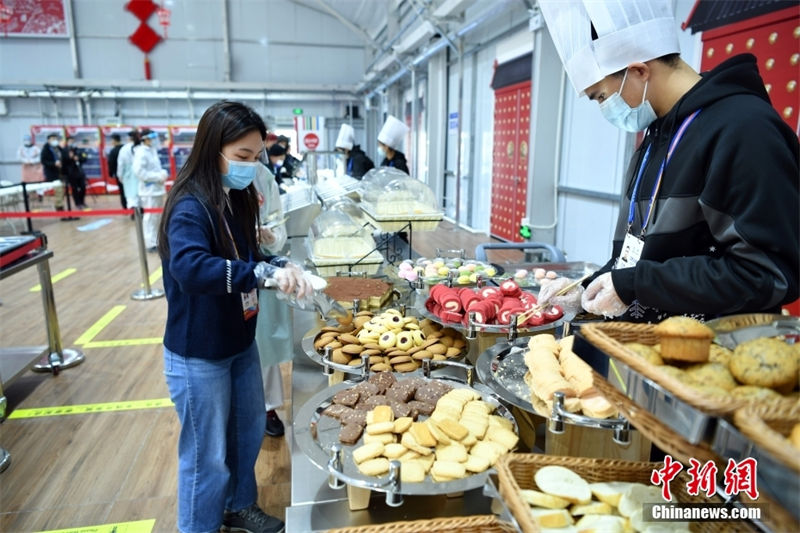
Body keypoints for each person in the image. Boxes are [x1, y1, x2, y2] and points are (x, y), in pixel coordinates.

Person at [537, 0, 799, 322]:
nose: (605, 109)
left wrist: (634, 283)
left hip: (710, 355)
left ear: (638, 71)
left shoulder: (745, 130)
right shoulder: (655, 137)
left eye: (602, 96)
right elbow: (642, 255)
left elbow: (765, 273)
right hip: (645, 349)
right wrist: (589, 290)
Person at [157, 100, 308, 533]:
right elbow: (189, 266)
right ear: (212, 149)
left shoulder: (236, 197)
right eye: (241, 157)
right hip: (199, 352)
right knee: (206, 457)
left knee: (246, 436)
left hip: (240, 343)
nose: (249, 165)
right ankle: (198, 526)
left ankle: (239, 506)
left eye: (256, 156)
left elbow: (249, 253)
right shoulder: (190, 205)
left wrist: (276, 265)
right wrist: (258, 275)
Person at [252, 162, 291, 438]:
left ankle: (267, 407)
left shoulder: (263, 176)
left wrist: (270, 238)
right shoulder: (202, 181)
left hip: (257, 268)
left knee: (262, 346)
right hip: (226, 276)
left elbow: (278, 225)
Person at [134, 129, 168, 251]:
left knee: (157, 217)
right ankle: (150, 243)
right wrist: (157, 177)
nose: (155, 140)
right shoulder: (141, 152)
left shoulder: (152, 151)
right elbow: (139, 172)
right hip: (149, 191)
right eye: (152, 138)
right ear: (146, 139)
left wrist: (163, 173)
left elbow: (156, 168)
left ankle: (157, 240)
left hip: (157, 189)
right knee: (149, 217)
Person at [40, 133, 65, 212]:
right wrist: (54, 164)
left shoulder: (58, 148)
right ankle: (59, 207)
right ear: (48, 140)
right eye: (52, 139)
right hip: (52, 173)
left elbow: (64, 156)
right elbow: (43, 161)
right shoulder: (46, 149)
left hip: (61, 172)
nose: (55, 140)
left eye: (56, 139)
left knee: (61, 191)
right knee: (58, 190)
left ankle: (60, 205)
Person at [118, 129, 141, 213]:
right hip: (139, 173)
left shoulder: (123, 149)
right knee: (139, 193)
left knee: (131, 194)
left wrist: (120, 175)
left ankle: (133, 212)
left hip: (128, 174)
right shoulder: (140, 147)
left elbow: (120, 164)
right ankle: (140, 210)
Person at [62, 136, 88, 209]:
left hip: (80, 171)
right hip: (71, 172)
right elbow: (64, 162)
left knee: (83, 187)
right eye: (70, 141)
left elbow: (84, 158)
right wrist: (70, 158)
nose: (72, 143)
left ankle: (82, 201)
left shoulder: (78, 149)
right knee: (74, 188)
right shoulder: (65, 151)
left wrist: (78, 158)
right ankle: (77, 203)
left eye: (73, 141)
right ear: (67, 142)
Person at [107, 133, 126, 209]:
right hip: (129, 174)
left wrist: (111, 173)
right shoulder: (125, 148)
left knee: (122, 191)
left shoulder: (113, 151)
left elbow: (111, 163)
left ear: (114, 140)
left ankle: (125, 207)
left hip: (119, 175)